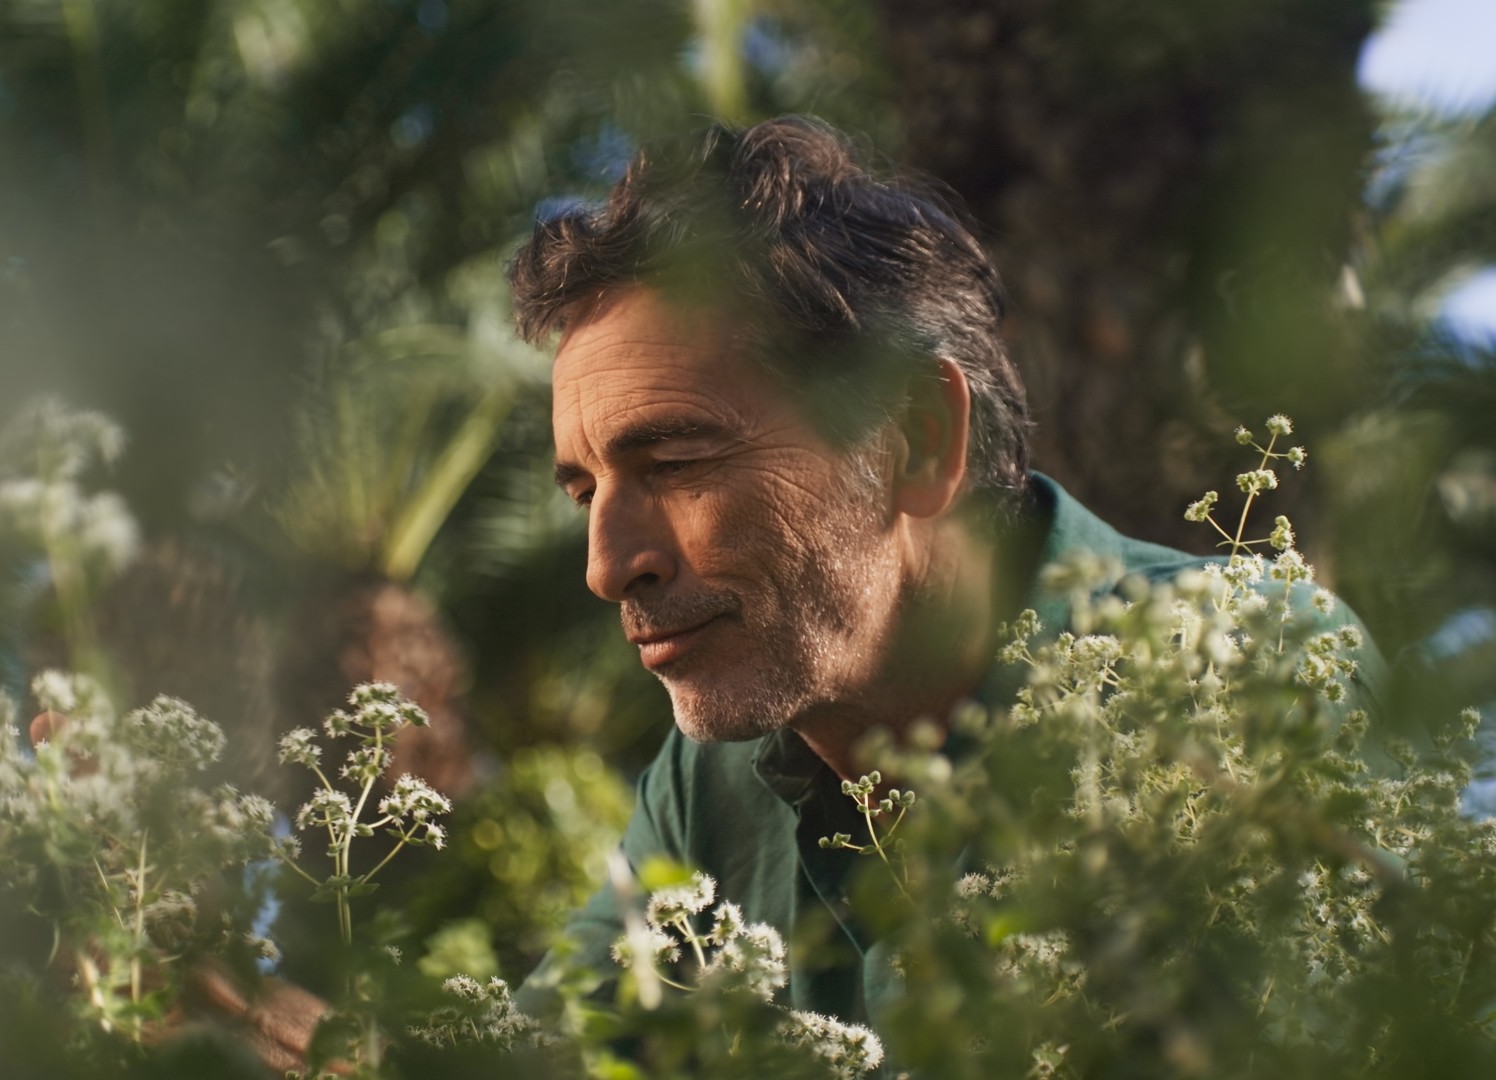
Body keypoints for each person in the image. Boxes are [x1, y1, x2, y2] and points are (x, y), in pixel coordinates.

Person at [507, 114, 1382, 1025]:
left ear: (919, 438)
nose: (608, 568)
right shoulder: (711, 782)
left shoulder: (1250, 673)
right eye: (584, 492)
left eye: (679, 462)